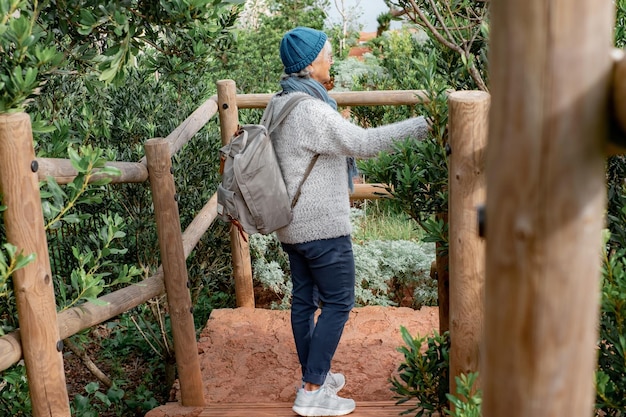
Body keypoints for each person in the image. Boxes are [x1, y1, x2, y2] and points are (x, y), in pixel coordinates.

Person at [269, 26, 429, 417]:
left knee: (304, 301)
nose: (331, 59)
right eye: (326, 53)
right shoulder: (310, 110)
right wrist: (426, 123)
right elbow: (365, 144)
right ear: (309, 63)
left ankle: (314, 377)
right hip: (321, 227)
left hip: (292, 225)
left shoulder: (282, 101)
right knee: (340, 302)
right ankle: (311, 391)